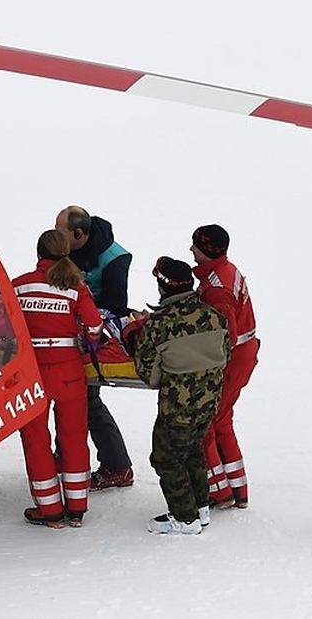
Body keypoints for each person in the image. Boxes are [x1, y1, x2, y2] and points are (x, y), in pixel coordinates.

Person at [124, 257, 229, 534]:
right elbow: (225, 355)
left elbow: (149, 375)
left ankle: (185, 519)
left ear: (163, 287)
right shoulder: (214, 316)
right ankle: (201, 509)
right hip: (209, 403)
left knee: (166, 458)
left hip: (177, 408)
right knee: (193, 450)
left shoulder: (158, 325)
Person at [12, 229, 103, 527]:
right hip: (68, 372)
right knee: (74, 435)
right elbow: (93, 326)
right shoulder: (75, 287)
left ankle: (49, 510)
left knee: (36, 439)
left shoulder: (20, 286)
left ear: (38, 253)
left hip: (31, 373)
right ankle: (76, 508)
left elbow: (2, 325)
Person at [56, 206, 134, 489]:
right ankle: (65, 458)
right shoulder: (63, 248)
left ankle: (117, 465)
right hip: (68, 328)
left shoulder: (115, 258)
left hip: (93, 332)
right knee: (68, 399)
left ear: (79, 233)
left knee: (87, 401)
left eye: (62, 233)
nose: (57, 237)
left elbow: (115, 305)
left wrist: (83, 310)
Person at [190, 225, 259, 509]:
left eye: (195, 245)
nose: (191, 250)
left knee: (207, 421)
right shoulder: (225, 272)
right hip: (244, 352)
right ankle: (237, 489)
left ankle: (218, 491)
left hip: (232, 359)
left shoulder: (217, 288)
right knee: (222, 421)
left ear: (206, 250)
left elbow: (223, 336)